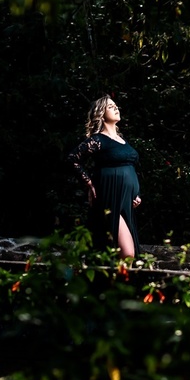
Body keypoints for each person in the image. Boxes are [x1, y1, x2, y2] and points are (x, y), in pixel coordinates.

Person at [67, 95, 142, 259]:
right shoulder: (97, 140)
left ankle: (115, 283)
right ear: (100, 113)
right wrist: (89, 183)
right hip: (109, 197)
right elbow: (73, 159)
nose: (116, 108)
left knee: (125, 253)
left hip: (125, 200)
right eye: (110, 106)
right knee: (127, 252)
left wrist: (136, 194)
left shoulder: (122, 140)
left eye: (116, 105)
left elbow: (130, 168)